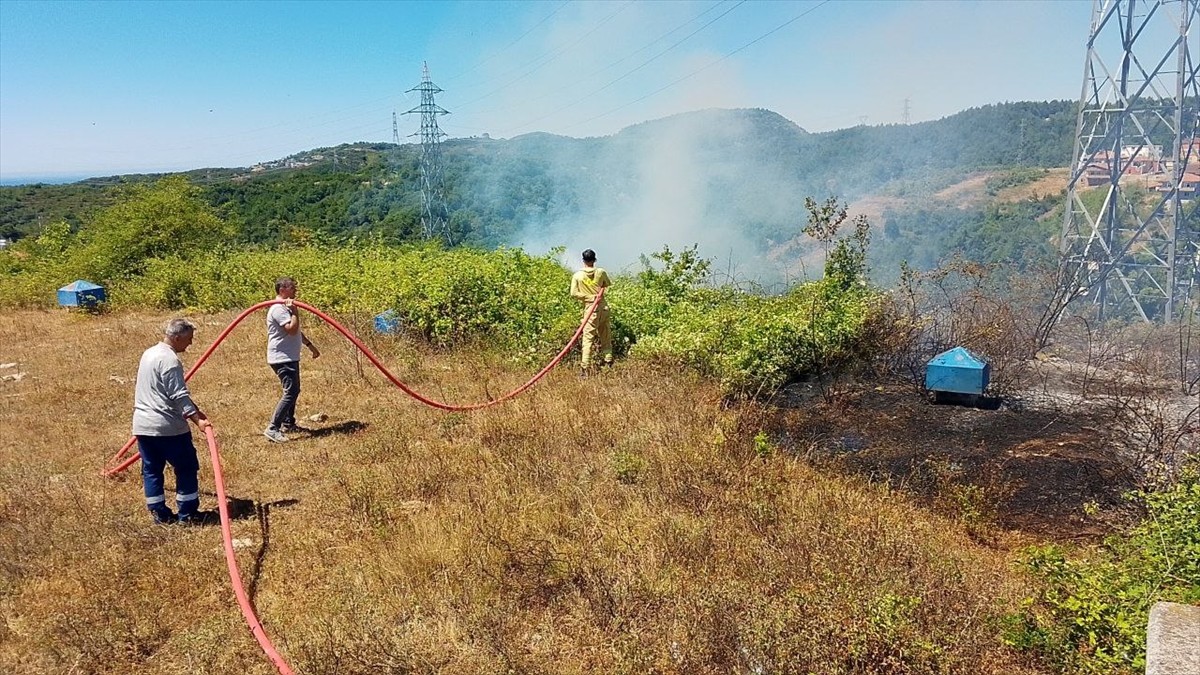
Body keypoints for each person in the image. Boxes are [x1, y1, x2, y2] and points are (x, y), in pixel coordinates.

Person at [132, 318, 211, 525]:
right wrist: (198, 421)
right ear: (176, 337)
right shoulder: (170, 361)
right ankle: (188, 514)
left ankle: (159, 515)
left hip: (142, 425)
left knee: (151, 470)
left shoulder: (149, 353)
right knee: (186, 467)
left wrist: (197, 410)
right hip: (167, 427)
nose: (191, 343)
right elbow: (178, 395)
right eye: (189, 339)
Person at [264, 277, 320, 442]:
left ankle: (288, 423)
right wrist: (295, 311)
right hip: (282, 357)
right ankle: (273, 428)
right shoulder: (278, 309)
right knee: (291, 391)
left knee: (292, 390)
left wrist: (309, 345)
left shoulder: (283, 308)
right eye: (292, 288)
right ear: (282, 290)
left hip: (288, 356)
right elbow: (291, 329)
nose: (296, 291)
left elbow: (296, 331)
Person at [569, 248, 613, 375]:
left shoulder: (577, 276)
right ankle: (608, 362)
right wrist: (595, 295)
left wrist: (588, 297)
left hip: (590, 310)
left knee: (587, 339)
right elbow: (606, 284)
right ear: (595, 260)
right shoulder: (601, 272)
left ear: (583, 260)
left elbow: (573, 293)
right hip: (603, 308)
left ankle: (585, 368)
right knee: (606, 335)